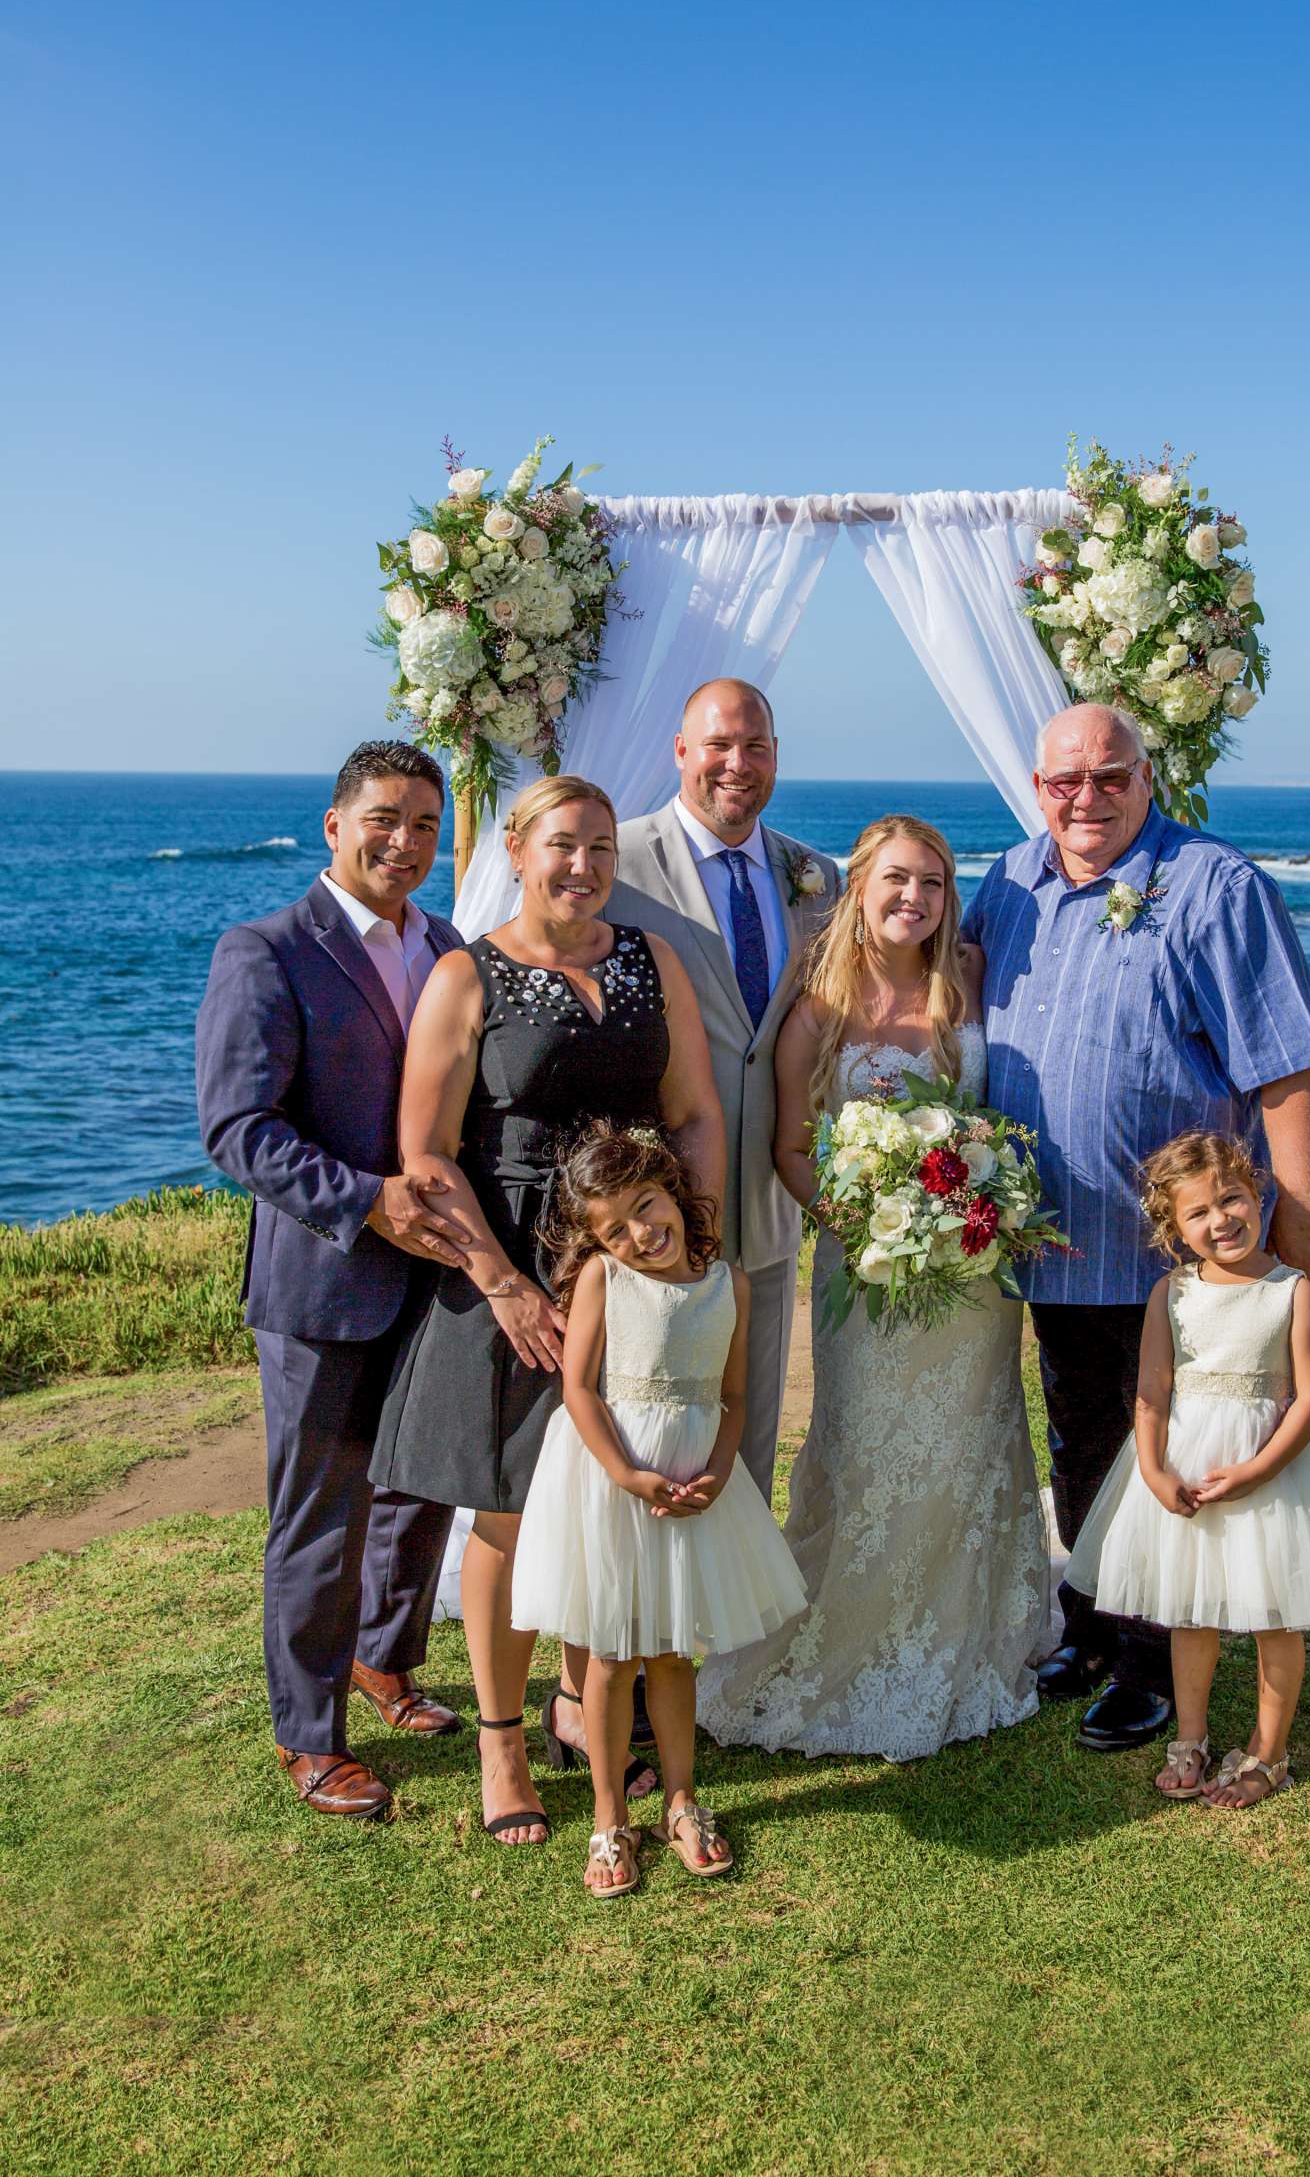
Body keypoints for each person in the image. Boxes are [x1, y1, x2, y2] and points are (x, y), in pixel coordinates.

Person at [962, 703, 1310, 1754]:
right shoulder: (1009, 883)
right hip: (1054, 1237)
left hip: (1182, 1252)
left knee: (1172, 1448)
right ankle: (1093, 1626)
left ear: (1146, 776)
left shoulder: (1218, 888)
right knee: (1084, 1436)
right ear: (1036, 787)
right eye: (1062, 783)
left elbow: (1284, 1062)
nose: (1084, 799)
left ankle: (1152, 1666)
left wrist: (1298, 1215)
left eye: (1108, 778)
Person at [368, 775, 724, 1845]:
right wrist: (505, 1285)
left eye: (603, 848)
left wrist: (686, 1250)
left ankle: (587, 1703)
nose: (583, 866)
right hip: (509, 1267)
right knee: (513, 1513)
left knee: (608, 1495)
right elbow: (424, 1154)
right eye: (563, 845)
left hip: (630, 1268)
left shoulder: (650, 961)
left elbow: (696, 1113)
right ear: (516, 850)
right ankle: (501, 1737)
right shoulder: (463, 976)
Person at [699, 816, 1052, 1760]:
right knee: (864, 1450)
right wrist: (858, 1224)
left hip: (972, 1277)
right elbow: (784, 1147)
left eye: (934, 883)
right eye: (898, 879)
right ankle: (845, 1638)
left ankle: (971, 1633)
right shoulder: (817, 1004)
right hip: (864, 1272)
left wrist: (977, 1204)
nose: (916, 899)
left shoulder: (967, 977)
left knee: (972, 1444)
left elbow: (996, 1111)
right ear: (858, 885)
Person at [195, 741, 465, 1820]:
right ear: (334, 826)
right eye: (385, 820)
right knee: (320, 1511)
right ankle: (309, 1738)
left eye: (424, 827)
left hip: (436, 1280)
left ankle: (384, 1663)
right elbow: (238, 1129)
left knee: (422, 1483)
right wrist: (368, 1202)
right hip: (324, 1281)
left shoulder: (446, 945)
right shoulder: (265, 950)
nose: (404, 843)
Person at [510, 1124, 805, 1897]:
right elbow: (577, 1389)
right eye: (616, 1229)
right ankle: (610, 1819)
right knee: (611, 1656)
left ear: (672, 1187)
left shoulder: (729, 1285)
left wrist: (716, 1470)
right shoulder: (604, 1281)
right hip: (616, 1479)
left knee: (674, 1652)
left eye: (646, 1206)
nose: (642, 1233)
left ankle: (681, 1801)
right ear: (598, 1241)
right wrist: (625, 1474)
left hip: (692, 1478)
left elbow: (734, 1397)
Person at [1065, 1130, 1310, 1805]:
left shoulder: (1291, 1291)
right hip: (1186, 1467)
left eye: (1231, 1199)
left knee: (1276, 1613)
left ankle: (1268, 1752)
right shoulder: (1170, 1294)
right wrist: (1152, 1473)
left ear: (1258, 1193)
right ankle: (1192, 1735)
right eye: (1199, 1213)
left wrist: (1258, 1470)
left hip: (1270, 1469)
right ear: (1174, 1228)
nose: (1221, 1220)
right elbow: (1151, 1395)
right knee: (1190, 1608)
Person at [606, 680, 841, 1505]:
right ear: (680, 752)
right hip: (652, 1212)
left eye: (756, 746)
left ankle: (736, 1623)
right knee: (653, 1427)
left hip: (771, 1209)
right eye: (718, 745)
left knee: (752, 1431)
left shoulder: (817, 875)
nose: (736, 764)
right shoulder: (615, 861)